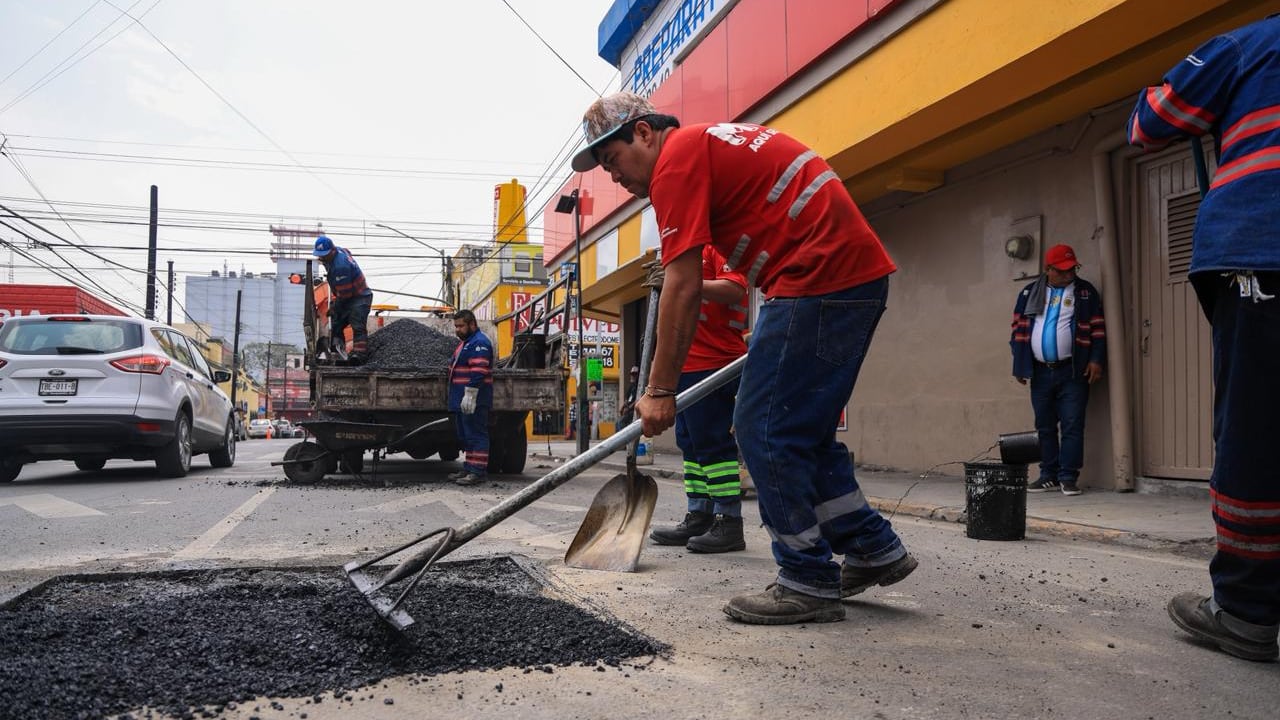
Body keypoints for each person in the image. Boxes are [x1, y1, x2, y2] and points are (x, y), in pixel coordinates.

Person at [573, 92, 916, 625]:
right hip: (844, 278)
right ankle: (873, 547)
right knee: (803, 433)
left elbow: (683, 285)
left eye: (612, 160)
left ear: (642, 133)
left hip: (818, 278)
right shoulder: (703, 145)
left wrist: (659, 390)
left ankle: (806, 578)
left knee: (762, 427)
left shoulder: (676, 160)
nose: (614, 177)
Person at [1129, 15, 1280, 662]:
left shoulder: (1249, 43)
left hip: (1260, 247)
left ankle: (1245, 610)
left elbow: (1151, 121)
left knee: (1255, 429)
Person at [647, 245, 750, 553]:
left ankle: (729, 521)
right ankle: (700, 514)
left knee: (713, 444)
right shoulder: (683, 254)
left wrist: (681, 282)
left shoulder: (718, 248)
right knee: (690, 443)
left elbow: (734, 288)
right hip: (685, 366)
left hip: (714, 363)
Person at [1009, 243, 1106, 496]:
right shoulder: (1029, 292)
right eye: (1062, 271)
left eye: (1072, 269)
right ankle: (1048, 475)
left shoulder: (1085, 293)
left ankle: (1068, 476)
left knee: (1073, 424)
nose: (1068, 275)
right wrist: (1019, 364)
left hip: (1073, 370)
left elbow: (1098, 329)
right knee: (1045, 425)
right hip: (1040, 372)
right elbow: (1018, 330)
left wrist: (1096, 359)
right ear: (1048, 269)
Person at [447, 309, 493, 487]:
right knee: (466, 435)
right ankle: (469, 467)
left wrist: (470, 394)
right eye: (456, 326)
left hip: (474, 400)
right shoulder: (466, 343)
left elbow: (479, 371)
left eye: (461, 326)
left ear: (472, 324)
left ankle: (478, 472)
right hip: (462, 399)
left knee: (476, 434)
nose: (457, 330)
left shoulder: (479, 342)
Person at [312, 236, 373, 365]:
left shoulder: (341, 267)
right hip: (349, 295)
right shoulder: (340, 251)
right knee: (337, 322)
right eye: (320, 255)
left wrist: (335, 307)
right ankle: (337, 349)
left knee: (357, 324)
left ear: (332, 251)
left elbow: (346, 294)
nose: (321, 258)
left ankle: (359, 356)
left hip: (360, 296)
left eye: (324, 255)